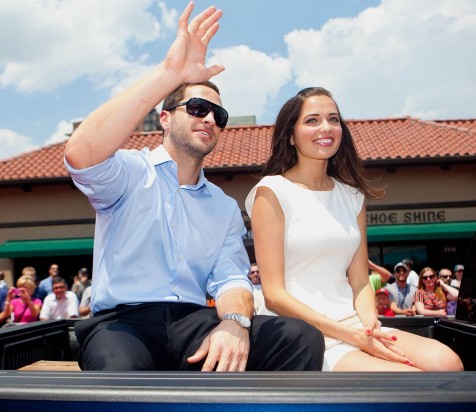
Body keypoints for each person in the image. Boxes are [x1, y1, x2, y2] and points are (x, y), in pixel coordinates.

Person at [63, 3, 324, 372]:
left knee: (299, 338)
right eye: (198, 107)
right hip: (122, 324)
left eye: (218, 115)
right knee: (117, 372)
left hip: (193, 322)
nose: (210, 119)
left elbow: (233, 279)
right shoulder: (130, 172)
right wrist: (170, 73)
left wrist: (235, 324)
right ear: (165, 119)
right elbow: (81, 152)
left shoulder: (223, 206)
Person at [245, 86, 463, 372]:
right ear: (290, 135)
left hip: (357, 324)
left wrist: (370, 327)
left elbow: (360, 281)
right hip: (305, 333)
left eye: (333, 119)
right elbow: (274, 294)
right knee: (413, 382)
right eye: (312, 120)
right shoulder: (271, 191)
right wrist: (353, 337)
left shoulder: (352, 196)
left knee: (448, 363)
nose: (326, 127)